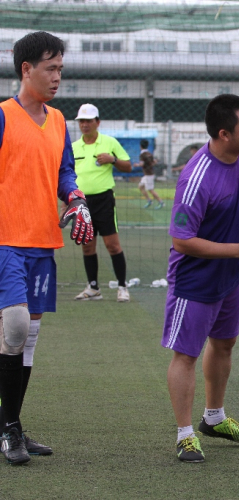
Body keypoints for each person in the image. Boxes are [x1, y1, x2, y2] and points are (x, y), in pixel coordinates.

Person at [163, 94, 239, 463]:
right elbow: (181, 240)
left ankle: (213, 418)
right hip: (195, 279)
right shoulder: (196, 177)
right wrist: (238, 249)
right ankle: (185, 434)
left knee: (224, 344)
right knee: (186, 354)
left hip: (230, 276)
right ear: (223, 133)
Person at [0, 31, 94, 464]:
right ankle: (9, 428)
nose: (58, 77)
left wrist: (75, 200)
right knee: (16, 328)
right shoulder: (3, 116)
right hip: (6, 242)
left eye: (60, 69)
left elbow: (65, 173)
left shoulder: (58, 121)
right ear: (26, 69)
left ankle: (11, 426)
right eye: (50, 68)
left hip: (42, 242)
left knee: (27, 338)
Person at [71, 103, 132, 303]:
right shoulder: (73, 147)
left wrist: (112, 159)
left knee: (112, 246)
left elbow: (128, 166)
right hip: (81, 202)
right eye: (81, 121)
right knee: (87, 246)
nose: (85, 125)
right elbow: (67, 174)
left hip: (104, 200)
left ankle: (122, 286)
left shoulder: (110, 142)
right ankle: (93, 288)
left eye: (89, 121)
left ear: (98, 122)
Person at [136, 139, 164, 209]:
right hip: (149, 174)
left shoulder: (142, 154)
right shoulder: (149, 153)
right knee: (140, 187)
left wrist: (137, 165)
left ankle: (161, 202)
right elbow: (154, 162)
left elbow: (142, 164)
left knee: (150, 189)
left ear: (140, 146)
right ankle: (149, 201)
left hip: (148, 175)